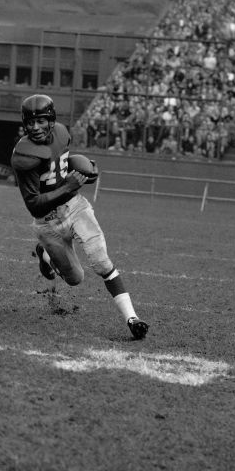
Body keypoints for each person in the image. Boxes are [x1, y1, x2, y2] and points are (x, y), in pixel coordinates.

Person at [10, 94, 148, 340]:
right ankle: (43, 252)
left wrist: (82, 169)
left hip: (74, 207)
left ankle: (132, 319)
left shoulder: (62, 133)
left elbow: (60, 163)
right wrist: (68, 185)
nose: (35, 127)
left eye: (41, 121)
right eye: (30, 123)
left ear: (52, 119)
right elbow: (34, 206)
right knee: (75, 279)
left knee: (101, 261)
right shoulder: (24, 155)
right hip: (47, 223)